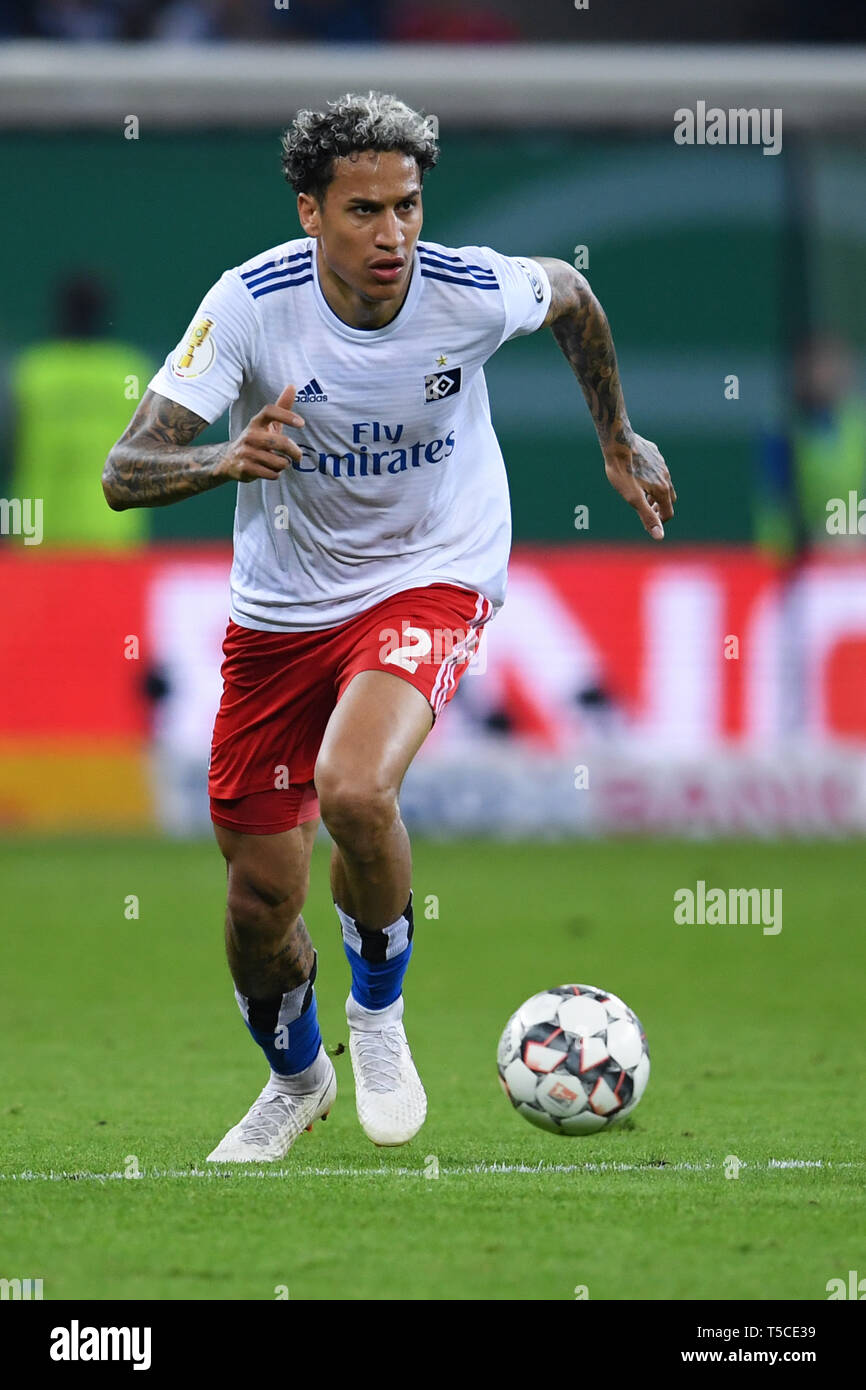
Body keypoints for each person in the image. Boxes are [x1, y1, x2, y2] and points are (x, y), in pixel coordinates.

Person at [102, 91, 675, 1162]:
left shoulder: (465, 290)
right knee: (257, 900)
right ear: (309, 211)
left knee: (355, 787)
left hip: (433, 573)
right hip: (280, 610)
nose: (393, 235)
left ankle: (375, 1015)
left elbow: (573, 298)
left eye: (407, 206)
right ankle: (296, 1078)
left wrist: (617, 436)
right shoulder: (250, 306)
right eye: (363, 210)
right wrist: (220, 458)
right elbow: (122, 472)